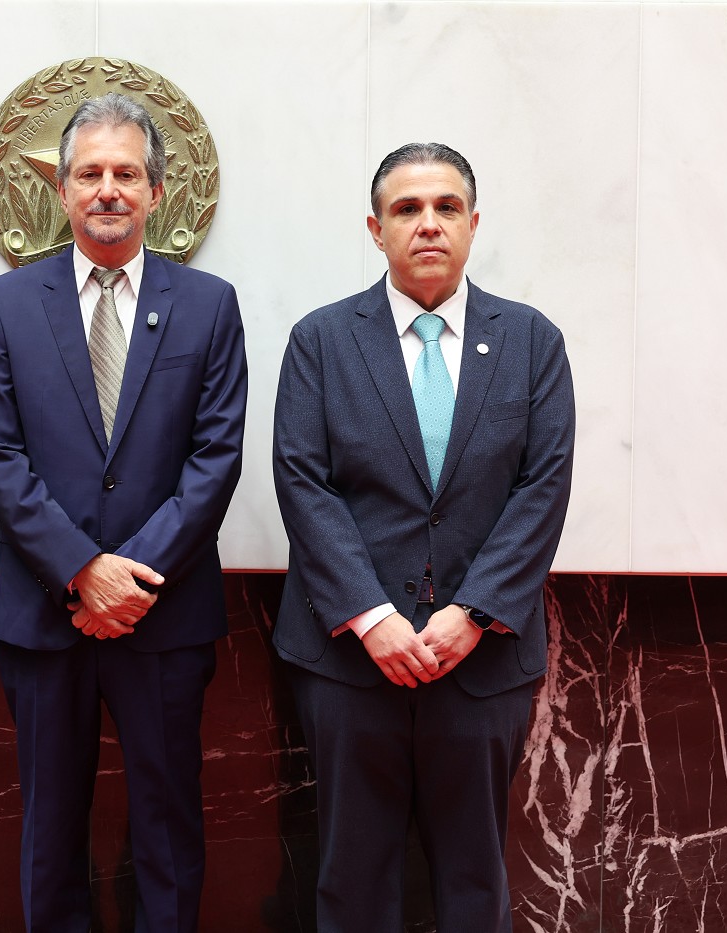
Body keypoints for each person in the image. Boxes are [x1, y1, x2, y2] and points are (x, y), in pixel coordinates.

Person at [0, 92, 247, 932]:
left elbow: (217, 456)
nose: (108, 189)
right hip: (42, 614)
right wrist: (82, 570)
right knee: (51, 831)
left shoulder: (209, 304)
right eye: (89, 173)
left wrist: (133, 578)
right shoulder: (5, 304)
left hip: (167, 616)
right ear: (62, 190)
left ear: (157, 190)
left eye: (126, 172)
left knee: (168, 825)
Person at [272, 143, 574, 932]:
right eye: (407, 209)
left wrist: (473, 613)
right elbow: (302, 482)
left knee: (475, 881)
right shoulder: (321, 340)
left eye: (446, 207)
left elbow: (542, 488)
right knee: (352, 882)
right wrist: (371, 616)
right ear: (377, 229)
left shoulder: (532, 341)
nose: (428, 224)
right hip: (349, 661)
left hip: (482, 662)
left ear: (473, 223)